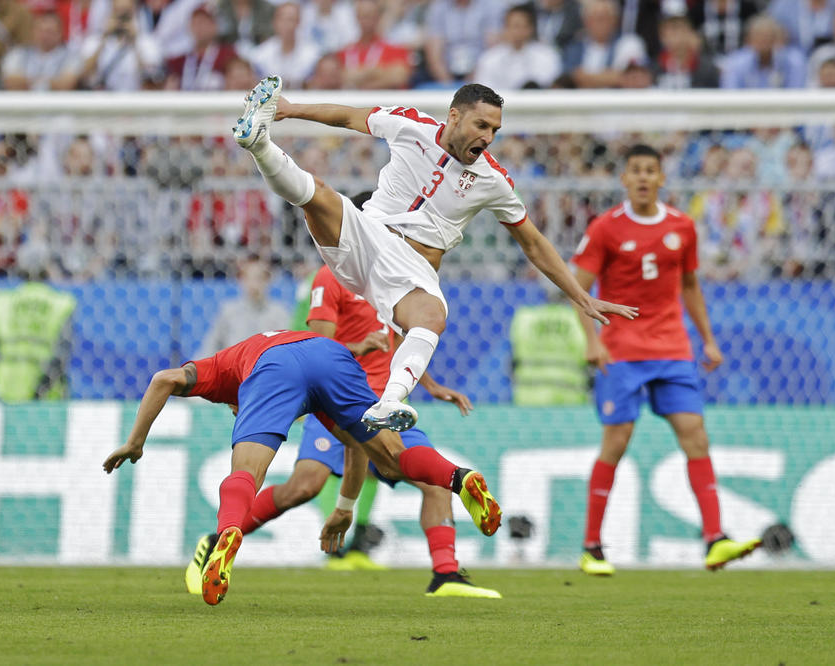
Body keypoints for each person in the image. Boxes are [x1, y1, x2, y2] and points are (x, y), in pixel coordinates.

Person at [231, 76, 638, 433]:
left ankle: (390, 402)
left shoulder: (494, 181)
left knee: (432, 317)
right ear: (454, 117)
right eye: (481, 125)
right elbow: (350, 117)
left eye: (495, 130)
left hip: (408, 273)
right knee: (317, 195)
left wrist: (579, 297)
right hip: (367, 235)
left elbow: (532, 241)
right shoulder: (412, 126)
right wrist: (290, 109)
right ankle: (259, 143)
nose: (488, 137)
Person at [102, 329, 503, 605]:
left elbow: (163, 379)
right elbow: (355, 448)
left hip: (274, 367)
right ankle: (459, 477)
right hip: (332, 356)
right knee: (393, 455)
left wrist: (135, 442)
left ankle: (225, 536)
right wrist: (344, 507)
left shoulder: (220, 369)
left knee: (246, 471)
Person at [186, 261, 501, 598]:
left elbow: (400, 342)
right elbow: (314, 346)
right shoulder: (329, 277)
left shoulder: (394, 275)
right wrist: (358, 347)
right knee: (304, 486)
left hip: (382, 401)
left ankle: (446, 575)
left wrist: (430, 384)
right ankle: (217, 540)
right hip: (334, 398)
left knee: (434, 481)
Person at [570, 144, 761, 575]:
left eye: (650, 171)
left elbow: (690, 285)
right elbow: (578, 288)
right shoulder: (606, 228)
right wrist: (592, 339)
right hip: (622, 350)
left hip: (673, 348)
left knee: (696, 437)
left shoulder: (682, 226)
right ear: (624, 179)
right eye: (635, 170)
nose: (642, 178)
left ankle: (715, 539)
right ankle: (592, 547)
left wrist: (708, 340)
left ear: (661, 179)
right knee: (616, 444)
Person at [0, 273, 77, 402]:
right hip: (47, 395)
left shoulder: (4, 301)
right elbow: (62, 353)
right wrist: (41, 388)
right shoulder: (60, 303)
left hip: (7, 387)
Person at [198, 257, 290, 357]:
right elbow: (210, 346)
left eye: (259, 278)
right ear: (241, 280)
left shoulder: (279, 313)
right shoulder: (229, 311)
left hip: (265, 369)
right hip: (233, 368)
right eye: (248, 278)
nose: (254, 284)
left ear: (267, 280)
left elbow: (285, 350)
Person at [472, 3, 562, 91]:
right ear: (505, 27)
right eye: (514, 26)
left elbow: (551, 88)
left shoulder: (547, 56)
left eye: (523, 26)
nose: (518, 31)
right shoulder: (490, 58)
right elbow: (483, 92)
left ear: (531, 28)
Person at [1, 11, 79, 91]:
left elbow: (66, 85)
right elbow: (10, 82)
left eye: (49, 32)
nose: (44, 36)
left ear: (59, 33)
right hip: (23, 102)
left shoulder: (71, 56)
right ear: (33, 31)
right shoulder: (19, 53)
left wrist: (27, 82)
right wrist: (48, 82)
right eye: (40, 31)